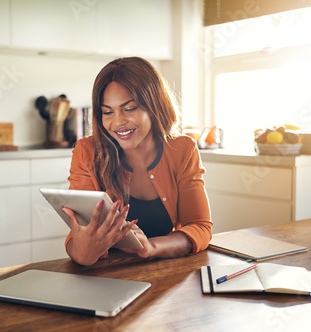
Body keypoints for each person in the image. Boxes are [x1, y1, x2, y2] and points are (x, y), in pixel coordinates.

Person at [61, 57, 212, 266]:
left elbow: (199, 227)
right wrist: (83, 252)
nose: (118, 123)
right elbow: (77, 238)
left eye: (129, 108)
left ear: (154, 105)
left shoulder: (182, 149)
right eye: (107, 112)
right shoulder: (87, 152)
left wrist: (150, 248)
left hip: (164, 271)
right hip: (107, 276)